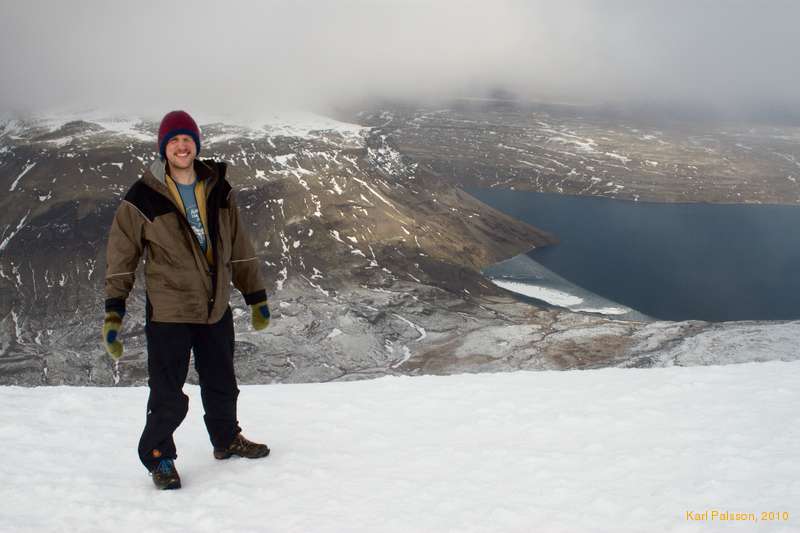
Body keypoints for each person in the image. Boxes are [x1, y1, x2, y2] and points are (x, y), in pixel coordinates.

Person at [102, 110, 272, 490]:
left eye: (188, 139)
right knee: (166, 389)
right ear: (164, 148)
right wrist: (114, 311)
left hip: (214, 306)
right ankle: (159, 457)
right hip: (169, 310)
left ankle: (226, 439)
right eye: (174, 140)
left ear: (196, 144)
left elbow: (240, 248)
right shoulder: (141, 197)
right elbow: (121, 258)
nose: (182, 146)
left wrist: (255, 295)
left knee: (222, 381)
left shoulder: (218, 189)